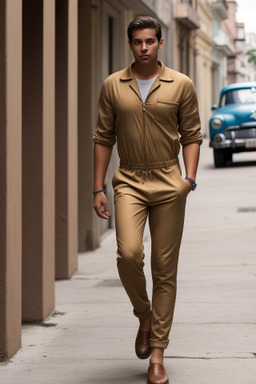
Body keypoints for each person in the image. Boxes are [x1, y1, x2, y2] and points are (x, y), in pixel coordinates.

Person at [93, 15, 202, 384]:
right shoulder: (113, 85)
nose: (144, 47)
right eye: (137, 42)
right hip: (129, 180)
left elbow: (192, 134)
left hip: (169, 180)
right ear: (130, 45)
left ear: (159, 43)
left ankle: (157, 354)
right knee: (128, 254)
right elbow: (103, 137)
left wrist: (188, 179)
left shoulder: (180, 84)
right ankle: (144, 314)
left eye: (150, 41)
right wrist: (98, 187)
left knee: (164, 267)